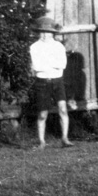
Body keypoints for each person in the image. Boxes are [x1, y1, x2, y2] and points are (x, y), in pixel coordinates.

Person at [29, 17, 73, 149]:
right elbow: (37, 66)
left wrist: (47, 63)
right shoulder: (34, 47)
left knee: (63, 109)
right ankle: (41, 141)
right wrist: (51, 64)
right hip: (42, 82)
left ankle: (64, 138)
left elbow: (62, 65)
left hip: (57, 81)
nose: (44, 35)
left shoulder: (58, 46)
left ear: (52, 33)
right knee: (43, 114)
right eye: (41, 32)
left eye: (47, 32)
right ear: (38, 33)